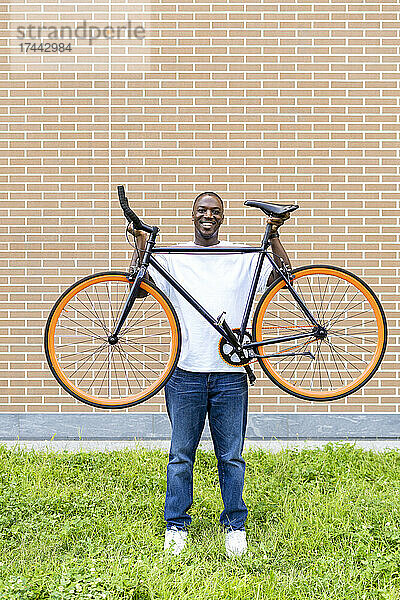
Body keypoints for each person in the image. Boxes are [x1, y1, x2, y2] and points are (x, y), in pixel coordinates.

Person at [128, 192, 291, 557]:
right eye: (202, 210)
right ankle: (176, 526)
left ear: (223, 218)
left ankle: (235, 526)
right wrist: (140, 245)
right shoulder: (174, 257)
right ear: (191, 215)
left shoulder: (241, 256)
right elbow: (137, 289)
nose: (208, 215)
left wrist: (274, 233)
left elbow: (285, 276)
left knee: (231, 456)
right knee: (180, 455)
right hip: (185, 372)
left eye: (215, 211)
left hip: (230, 376)